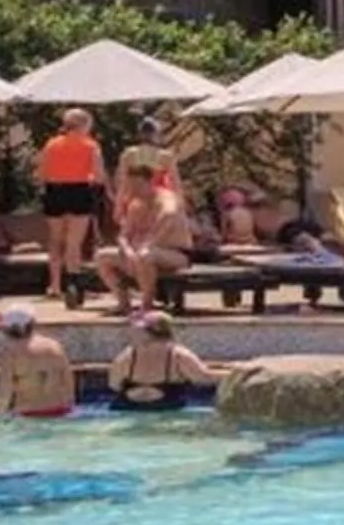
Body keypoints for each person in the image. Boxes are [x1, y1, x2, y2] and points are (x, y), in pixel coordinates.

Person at [94, 164, 192, 315]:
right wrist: (127, 250)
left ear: (149, 182)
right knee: (102, 256)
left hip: (173, 255)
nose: (134, 189)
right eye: (130, 185)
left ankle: (147, 304)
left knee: (146, 255)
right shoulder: (135, 205)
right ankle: (123, 302)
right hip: (138, 256)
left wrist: (147, 245)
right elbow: (123, 235)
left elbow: (169, 215)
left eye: (137, 185)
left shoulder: (166, 199)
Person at [37, 107, 106, 292]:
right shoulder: (91, 145)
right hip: (79, 190)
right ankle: (73, 281)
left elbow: (41, 173)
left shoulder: (51, 144)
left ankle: (54, 284)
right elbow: (99, 175)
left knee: (55, 239)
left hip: (55, 191)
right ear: (83, 125)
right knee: (74, 241)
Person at [108, 308, 216, 411]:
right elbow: (203, 378)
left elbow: (114, 384)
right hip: (166, 406)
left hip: (126, 406)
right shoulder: (178, 354)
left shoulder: (128, 354)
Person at [0, 306, 74, 418]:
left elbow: (5, 393)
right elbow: (68, 382)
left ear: (7, 329)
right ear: (32, 323)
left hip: (29, 414)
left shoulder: (10, 354)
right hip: (61, 411)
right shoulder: (54, 346)